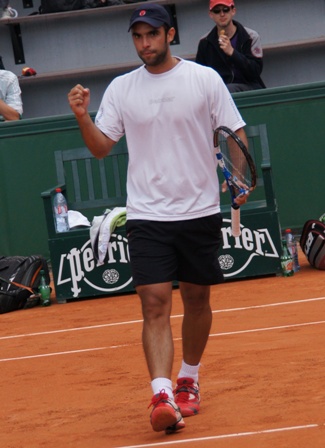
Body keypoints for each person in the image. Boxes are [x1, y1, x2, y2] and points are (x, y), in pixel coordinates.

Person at [68, 3, 250, 434]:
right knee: (153, 302)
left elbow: (233, 132)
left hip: (199, 210)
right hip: (147, 213)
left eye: (152, 34)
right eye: (137, 36)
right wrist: (81, 116)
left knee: (197, 301)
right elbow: (101, 147)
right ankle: (162, 393)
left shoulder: (204, 79)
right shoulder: (121, 89)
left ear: (170, 35)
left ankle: (189, 376)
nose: (144, 43)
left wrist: (240, 176)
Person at [196, 0, 266, 93]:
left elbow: (255, 72)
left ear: (233, 11)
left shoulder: (250, 37)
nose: (222, 14)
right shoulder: (205, 42)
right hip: (219, 91)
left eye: (226, 9)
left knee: (228, 89)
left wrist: (232, 53)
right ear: (211, 14)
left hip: (249, 88)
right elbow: (200, 76)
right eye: (217, 11)